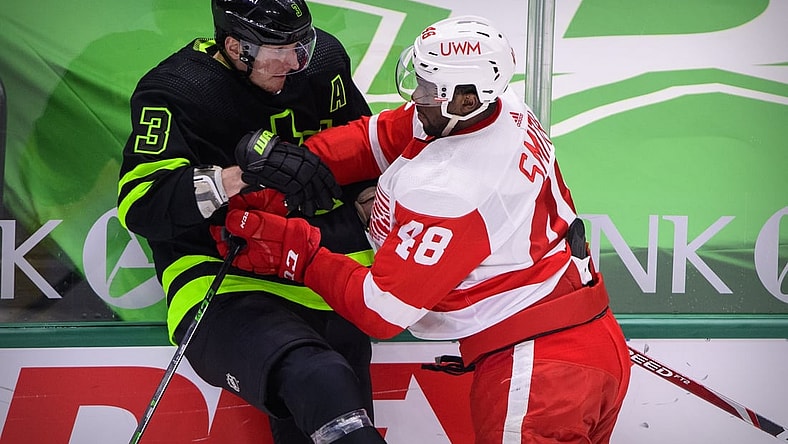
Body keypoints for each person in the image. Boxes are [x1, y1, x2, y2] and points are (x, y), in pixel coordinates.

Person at [215, 15, 632, 444]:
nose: (417, 95)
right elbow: (373, 140)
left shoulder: (451, 188)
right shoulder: (500, 107)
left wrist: (297, 253)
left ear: (465, 99)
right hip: (587, 344)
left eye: (429, 88)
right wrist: (287, 175)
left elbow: (381, 311)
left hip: (540, 377)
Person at [116, 0, 386, 442]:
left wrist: (369, 195)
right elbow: (143, 206)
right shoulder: (176, 90)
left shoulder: (323, 62)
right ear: (235, 47)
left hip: (323, 274)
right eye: (278, 50)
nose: (295, 61)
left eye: (301, 44)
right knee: (319, 376)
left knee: (333, 407)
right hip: (224, 281)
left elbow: (362, 145)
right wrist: (238, 176)